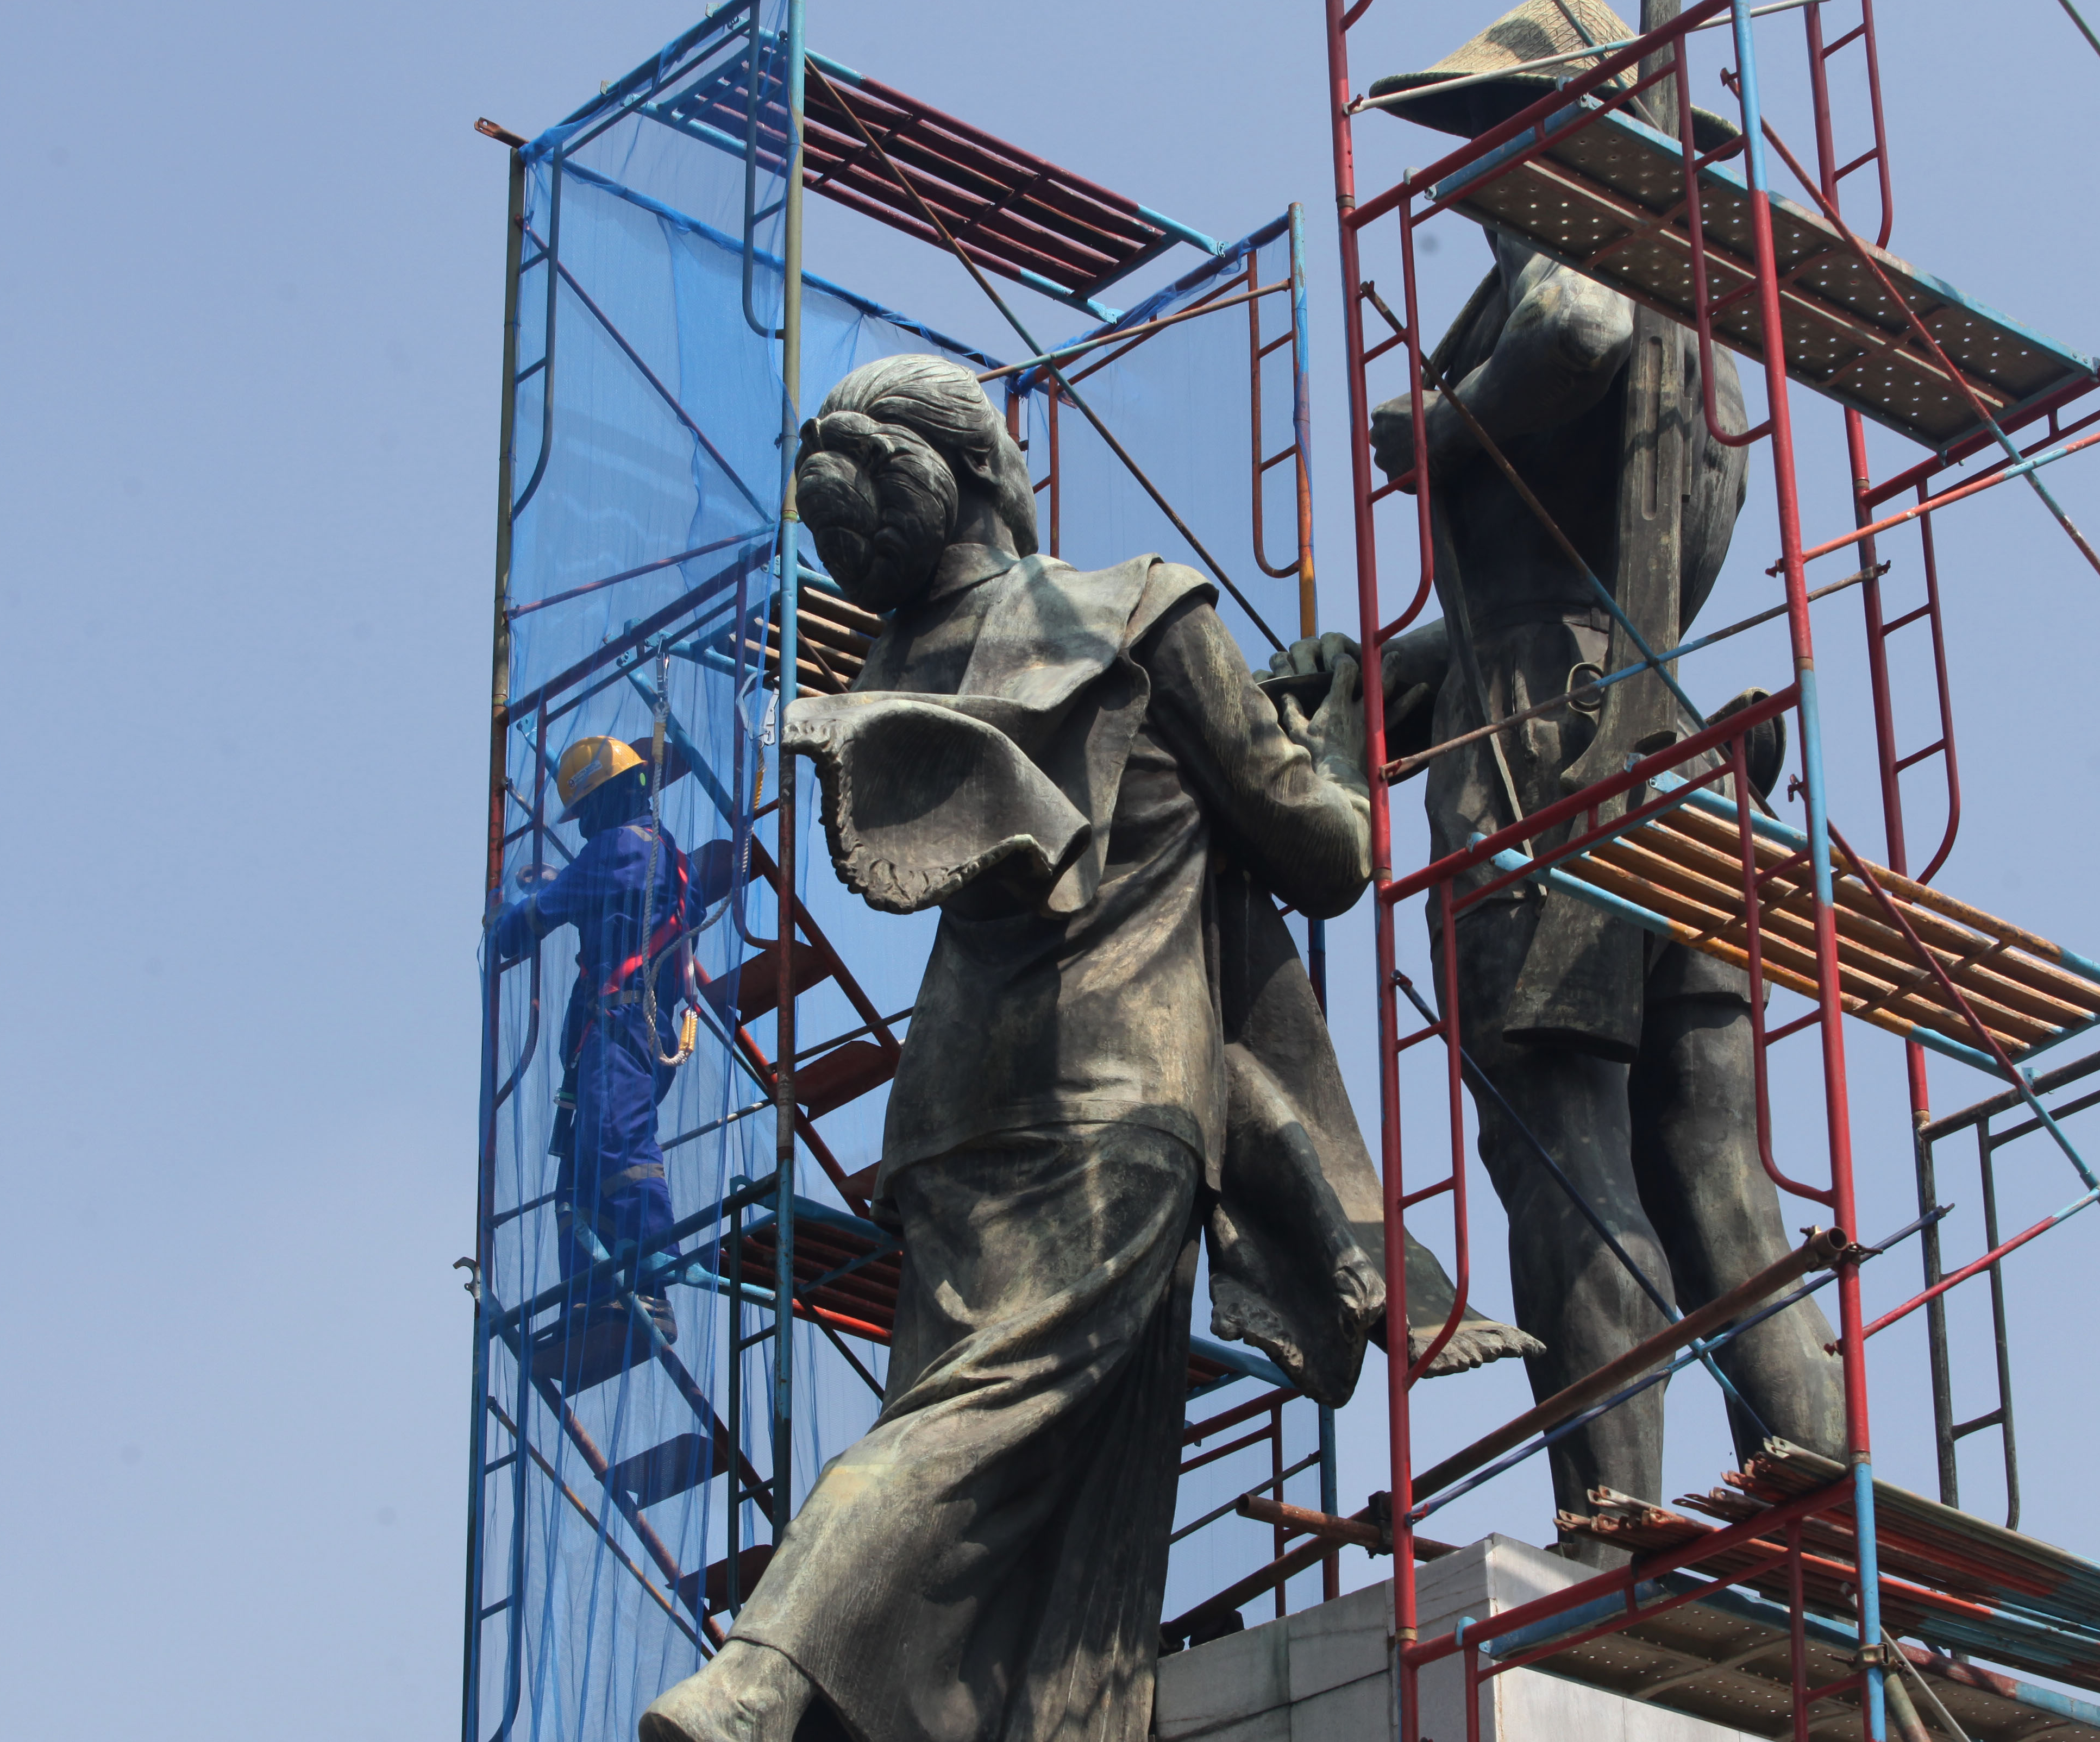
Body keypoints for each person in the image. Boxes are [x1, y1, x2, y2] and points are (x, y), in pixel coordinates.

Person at [639, 354, 1524, 1742]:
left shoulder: (896, 666)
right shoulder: (1139, 607)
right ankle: (759, 1679)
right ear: (995, 471)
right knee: (988, 1416)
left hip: (949, 1113)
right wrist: (1340, 729)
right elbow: (1325, 850)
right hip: (1118, 1099)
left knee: (1000, 1452)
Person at [1364, 0, 1845, 1549]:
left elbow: (1571, 326)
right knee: (1718, 1166)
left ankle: (1616, 1510)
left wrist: (1441, 428)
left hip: (1544, 763)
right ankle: (1821, 1491)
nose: (1469, 182)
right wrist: (1382, 680)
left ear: (1540, 135)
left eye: (1489, 137)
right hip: (1677, 763)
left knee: (1570, 1160)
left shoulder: (1568, 283)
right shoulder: (1705, 345)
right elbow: (1558, 580)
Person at [487, 733, 731, 1328]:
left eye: (584, 814)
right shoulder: (665, 855)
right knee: (580, 1173)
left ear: (597, 804)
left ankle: (649, 1276)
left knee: (619, 1148)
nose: (582, 828)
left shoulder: (613, 849)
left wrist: (507, 917)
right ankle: (593, 1294)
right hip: (639, 1033)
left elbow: (532, 922)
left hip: (620, 1028)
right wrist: (565, 881)